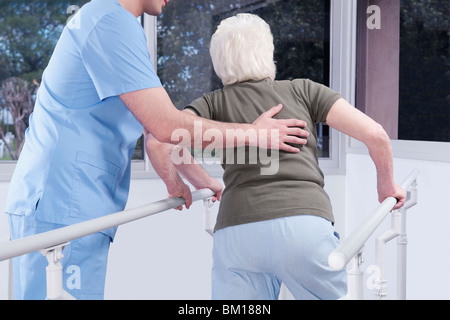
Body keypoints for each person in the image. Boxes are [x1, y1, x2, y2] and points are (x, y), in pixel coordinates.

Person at [5, 1, 308, 300]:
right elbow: (165, 124)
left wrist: (196, 179)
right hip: (63, 199)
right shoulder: (110, 22)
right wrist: (255, 133)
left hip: (67, 199)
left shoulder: (115, 22)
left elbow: (153, 128)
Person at [148, 13, 407, 300]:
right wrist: (387, 186)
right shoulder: (304, 90)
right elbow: (377, 135)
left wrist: (196, 182)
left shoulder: (212, 103)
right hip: (303, 227)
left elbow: (160, 144)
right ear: (268, 53)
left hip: (237, 234)